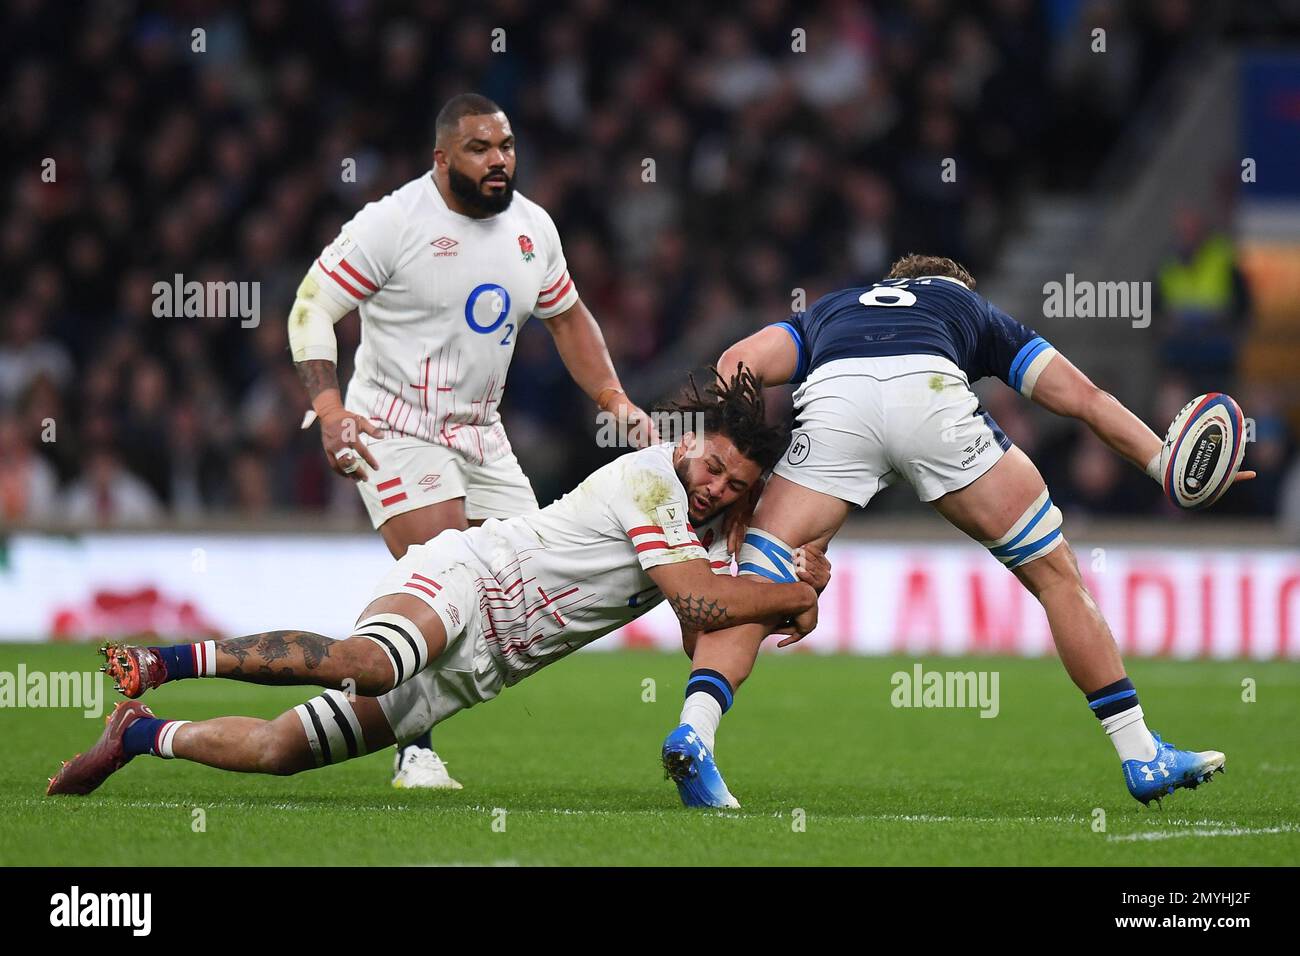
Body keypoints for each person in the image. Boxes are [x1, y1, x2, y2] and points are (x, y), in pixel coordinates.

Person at [50, 371, 828, 803]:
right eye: (715, 467)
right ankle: (166, 663)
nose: (719, 488)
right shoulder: (654, 484)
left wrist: (780, 577)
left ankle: (140, 734)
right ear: (691, 445)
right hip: (464, 580)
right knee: (372, 660)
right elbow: (700, 603)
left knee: (278, 749)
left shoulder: (699, 533)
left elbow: (701, 636)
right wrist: (791, 597)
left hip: (475, 671)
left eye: (737, 485)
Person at [661, 254, 1254, 809]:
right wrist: (1163, 466)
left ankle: (695, 733)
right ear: (952, 284)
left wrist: (737, 467)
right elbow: (1085, 399)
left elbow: (736, 360)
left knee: (755, 586)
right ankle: (1140, 753)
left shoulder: (834, 307)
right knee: (1056, 579)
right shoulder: (968, 306)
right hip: (932, 401)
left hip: (836, 404)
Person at [289, 93, 653, 789]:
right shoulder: (393, 222)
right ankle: (412, 744)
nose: (499, 161)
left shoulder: (533, 228)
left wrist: (615, 400)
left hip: (482, 434)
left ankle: (365, 686)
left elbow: (570, 320)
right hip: (394, 427)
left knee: (524, 586)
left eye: (507, 146)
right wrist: (330, 409)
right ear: (442, 157)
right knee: (442, 562)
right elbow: (312, 307)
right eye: (481, 149)